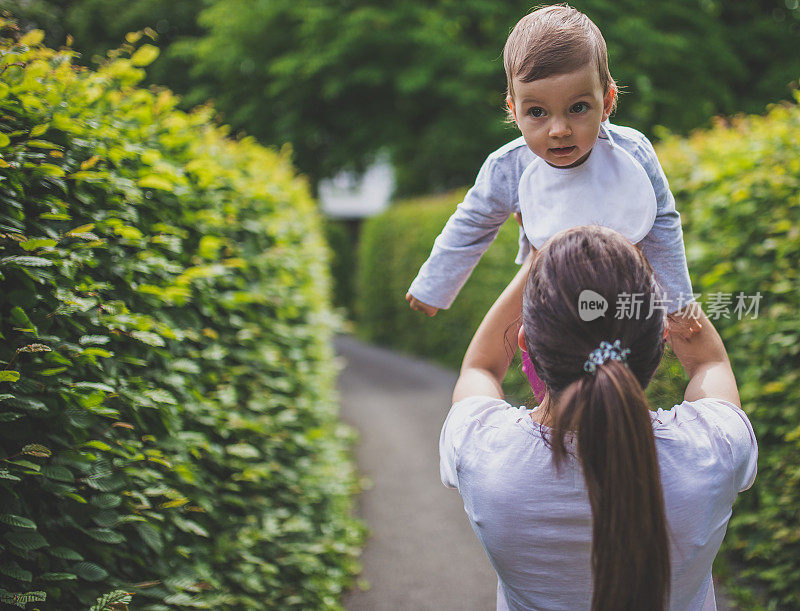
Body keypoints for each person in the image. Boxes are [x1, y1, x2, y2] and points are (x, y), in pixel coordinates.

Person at [440, 226, 757, 610]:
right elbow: (709, 360)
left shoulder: (482, 448)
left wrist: (541, 253)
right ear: (661, 339)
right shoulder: (713, 447)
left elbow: (481, 368)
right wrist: (658, 253)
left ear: (525, 341)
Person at [406, 5, 700, 397]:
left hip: (624, 316)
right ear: (513, 110)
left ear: (607, 101)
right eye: (537, 112)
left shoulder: (634, 154)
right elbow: (472, 223)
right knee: (558, 403)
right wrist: (433, 285)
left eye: (578, 108)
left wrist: (678, 299)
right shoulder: (508, 167)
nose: (559, 130)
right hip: (550, 319)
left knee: (620, 401)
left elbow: (662, 221)